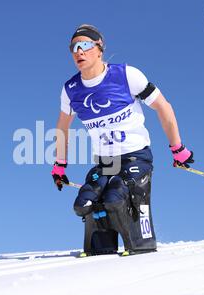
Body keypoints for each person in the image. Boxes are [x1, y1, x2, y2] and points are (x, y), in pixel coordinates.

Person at [51, 24, 194, 256]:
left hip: (135, 154)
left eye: (85, 45)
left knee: (116, 195)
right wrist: (59, 165)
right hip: (105, 162)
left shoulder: (126, 75)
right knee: (85, 201)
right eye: (74, 47)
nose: (79, 51)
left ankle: (139, 242)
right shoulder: (71, 90)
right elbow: (62, 128)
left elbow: (163, 107)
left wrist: (178, 148)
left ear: (99, 49)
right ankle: (102, 250)